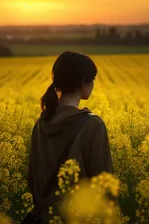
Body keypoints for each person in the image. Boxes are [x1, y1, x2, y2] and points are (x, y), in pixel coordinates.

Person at [26, 51, 114, 223]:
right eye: (93, 79)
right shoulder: (92, 126)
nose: (94, 84)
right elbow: (105, 186)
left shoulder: (40, 124)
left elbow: (32, 179)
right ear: (83, 82)